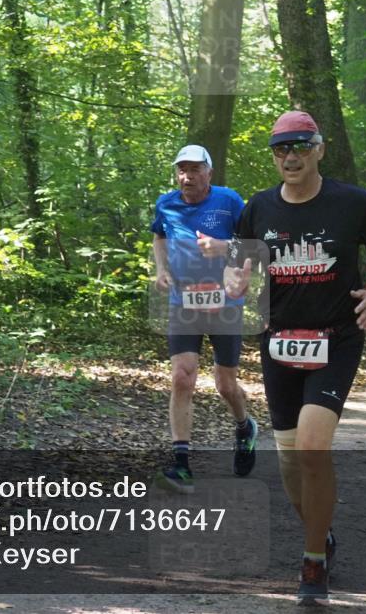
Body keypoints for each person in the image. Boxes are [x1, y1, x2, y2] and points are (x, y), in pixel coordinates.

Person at [225, 111, 366, 604]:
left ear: (319, 149)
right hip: (279, 341)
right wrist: (235, 281)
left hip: (337, 339)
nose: (291, 157)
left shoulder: (352, 202)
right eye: (282, 149)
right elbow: (238, 264)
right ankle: (322, 534)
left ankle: (313, 561)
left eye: (301, 146)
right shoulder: (258, 208)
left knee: (313, 448)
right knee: (290, 461)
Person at [151, 144, 258, 494]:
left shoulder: (229, 201)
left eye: (195, 169)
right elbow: (159, 236)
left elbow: (251, 245)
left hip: (225, 303)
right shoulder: (166, 203)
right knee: (182, 377)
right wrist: (161, 269)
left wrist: (224, 248)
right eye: (182, 169)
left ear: (209, 172)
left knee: (225, 385)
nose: (187, 176)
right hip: (184, 303)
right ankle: (181, 465)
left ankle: (244, 426)